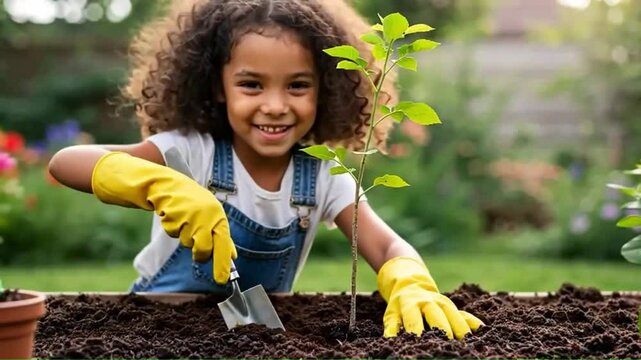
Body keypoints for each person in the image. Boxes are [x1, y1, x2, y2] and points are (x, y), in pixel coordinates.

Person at [48, 0, 483, 340]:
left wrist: (409, 280)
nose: (275, 106)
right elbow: (65, 163)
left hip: (256, 339)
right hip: (152, 331)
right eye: (251, 84)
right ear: (217, 86)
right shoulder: (191, 152)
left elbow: (387, 247)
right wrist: (158, 184)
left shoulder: (323, 174)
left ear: (326, 90)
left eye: (297, 85)